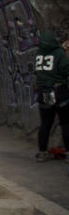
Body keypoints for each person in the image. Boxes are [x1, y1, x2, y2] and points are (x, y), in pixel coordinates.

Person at [34, 30, 69, 162]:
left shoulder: (39, 54)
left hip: (44, 92)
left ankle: (42, 152)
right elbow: (66, 70)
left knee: (45, 124)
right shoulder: (59, 53)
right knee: (66, 122)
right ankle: (68, 152)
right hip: (59, 91)